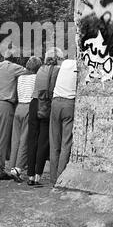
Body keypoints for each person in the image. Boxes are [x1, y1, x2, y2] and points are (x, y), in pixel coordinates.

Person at [0, 48, 26, 181]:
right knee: (1, 140)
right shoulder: (14, 67)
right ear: (15, 58)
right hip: (4, 105)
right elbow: (29, 71)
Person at [27, 47, 64, 186]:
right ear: (58, 59)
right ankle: (37, 175)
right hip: (46, 105)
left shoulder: (40, 69)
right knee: (43, 140)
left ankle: (30, 174)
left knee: (32, 140)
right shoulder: (58, 70)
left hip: (34, 103)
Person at [10, 56, 42, 182]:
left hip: (19, 107)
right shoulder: (35, 78)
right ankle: (18, 168)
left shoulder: (21, 77)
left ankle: (12, 166)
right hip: (29, 107)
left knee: (15, 139)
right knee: (25, 140)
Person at [49, 58, 78, 185]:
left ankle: (52, 178)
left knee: (54, 142)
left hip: (56, 102)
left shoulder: (64, 64)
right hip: (69, 103)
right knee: (65, 143)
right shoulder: (78, 66)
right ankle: (60, 177)